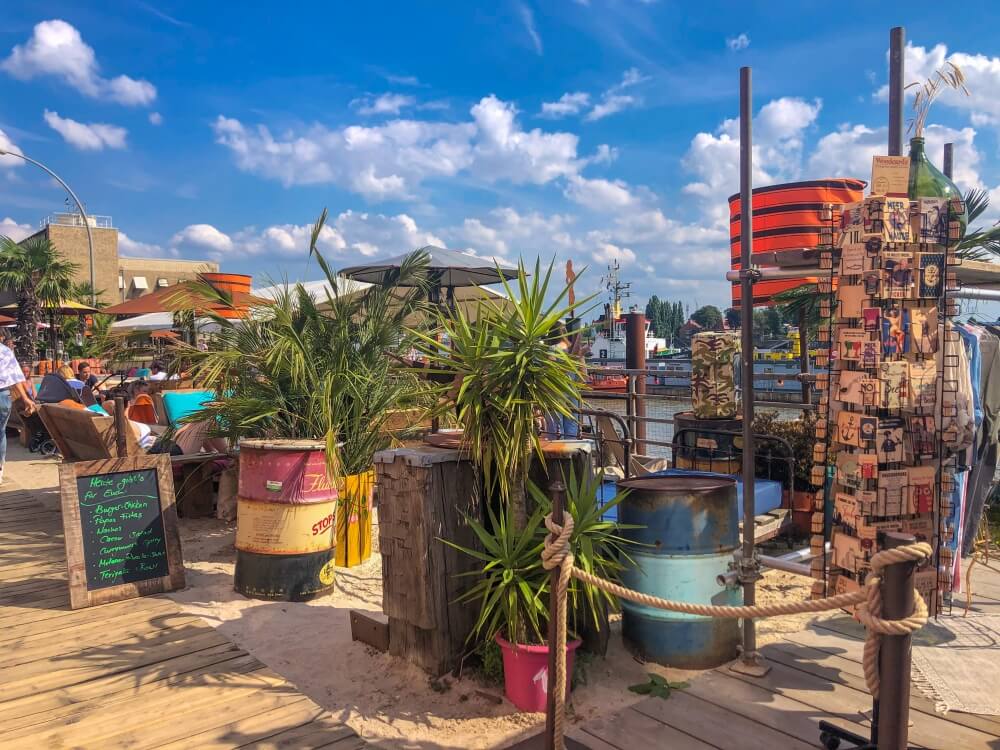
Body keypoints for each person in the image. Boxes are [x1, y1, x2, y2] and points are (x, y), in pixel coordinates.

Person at [0, 342, 33, 483]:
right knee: (1, 433)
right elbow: (16, 377)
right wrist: (25, 398)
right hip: (3, 394)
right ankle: (0, 469)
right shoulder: (5, 351)